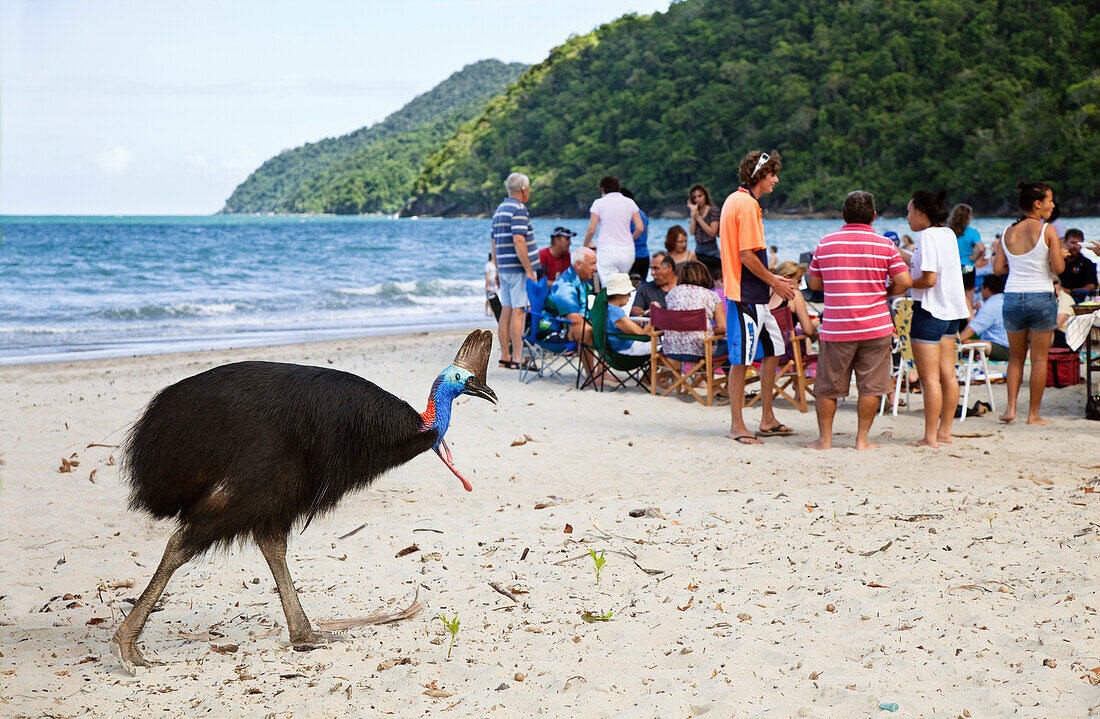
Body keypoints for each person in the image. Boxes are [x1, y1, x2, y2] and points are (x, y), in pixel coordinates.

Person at [805, 191, 912, 451]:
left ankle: (825, 440)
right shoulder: (885, 245)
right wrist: (884, 292)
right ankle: (862, 440)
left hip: (836, 326)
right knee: (871, 387)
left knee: (828, 387)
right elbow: (905, 282)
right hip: (875, 326)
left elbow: (814, 283)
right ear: (873, 216)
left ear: (843, 215)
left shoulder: (825, 243)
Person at [719, 150, 797, 445]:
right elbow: (746, 255)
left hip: (754, 294)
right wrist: (775, 282)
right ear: (759, 177)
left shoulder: (735, 200)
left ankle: (766, 417)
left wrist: (771, 281)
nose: (776, 180)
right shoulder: (747, 204)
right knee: (740, 360)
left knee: (773, 349)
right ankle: (737, 425)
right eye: (772, 175)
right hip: (745, 294)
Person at [992, 180, 1066, 425]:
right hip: (1040, 296)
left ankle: (1010, 409)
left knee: (1015, 357)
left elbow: (997, 267)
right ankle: (1033, 414)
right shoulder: (1048, 231)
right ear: (1037, 204)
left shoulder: (1007, 232)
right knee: (1039, 359)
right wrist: (1060, 255)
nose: (1052, 205)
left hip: (1012, 295)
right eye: (1049, 200)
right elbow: (1058, 268)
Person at [907, 189, 969, 448]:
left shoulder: (928, 235)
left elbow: (929, 279)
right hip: (951, 312)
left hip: (930, 311)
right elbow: (935, 267)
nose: (907, 217)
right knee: (948, 375)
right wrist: (903, 256)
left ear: (921, 212)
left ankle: (929, 436)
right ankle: (944, 432)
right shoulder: (947, 233)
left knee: (929, 378)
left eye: (909, 212)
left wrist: (902, 285)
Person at [491, 172, 539, 370]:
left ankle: (505, 356)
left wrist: (496, 267)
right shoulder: (519, 209)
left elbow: (493, 241)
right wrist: (529, 269)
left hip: (503, 266)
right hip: (517, 268)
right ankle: (518, 357)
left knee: (507, 310)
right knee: (518, 311)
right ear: (524, 190)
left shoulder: (499, 210)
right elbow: (519, 239)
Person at [583, 176, 643, 283]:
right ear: (618, 188)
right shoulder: (629, 202)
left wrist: (584, 247)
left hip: (607, 250)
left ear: (602, 189)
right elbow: (640, 227)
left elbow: (592, 230)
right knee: (622, 284)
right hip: (627, 251)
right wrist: (631, 239)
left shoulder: (598, 203)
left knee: (609, 287)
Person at [662, 260, 727, 358]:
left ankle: (698, 372)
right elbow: (722, 328)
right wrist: (705, 331)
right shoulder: (711, 295)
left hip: (671, 350)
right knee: (730, 346)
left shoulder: (672, 293)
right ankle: (716, 373)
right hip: (700, 350)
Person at [545, 246, 599, 344]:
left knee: (605, 327)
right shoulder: (565, 285)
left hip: (571, 327)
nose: (595, 268)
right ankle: (591, 359)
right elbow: (574, 319)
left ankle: (601, 360)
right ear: (579, 264)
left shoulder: (583, 282)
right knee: (586, 331)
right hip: (552, 330)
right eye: (592, 264)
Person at [958, 274, 1010, 361]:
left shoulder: (991, 304)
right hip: (1016, 348)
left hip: (1003, 349)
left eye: (981, 288)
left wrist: (955, 343)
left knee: (964, 343)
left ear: (987, 289)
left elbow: (972, 329)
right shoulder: (1007, 300)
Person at [603, 273, 652, 356]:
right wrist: (655, 314)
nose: (630, 295)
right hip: (625, 349)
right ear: (618, 294)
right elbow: (642, 333)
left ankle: (651, 369)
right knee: (666, 345)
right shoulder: (615, 311)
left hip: (614, 348)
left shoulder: (605, 307)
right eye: (628, 292)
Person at [770, 261, 819, 339]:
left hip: (766, 347)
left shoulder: (767, 292)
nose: (801, 284)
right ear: (787, 278)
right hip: (785, 347)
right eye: (799, 280)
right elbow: (808, 330)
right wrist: (813, 325)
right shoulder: (794, 295)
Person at [948, 203, 981, 313]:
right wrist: (973, 258)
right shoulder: (972, 232)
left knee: (952, 298)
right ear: (968, 216)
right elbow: (981, 248)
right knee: (968, 298)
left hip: (952, 267)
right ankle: (968, 324)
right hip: (968, 267)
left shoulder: (948, 231)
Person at [688, 183, 722, 279]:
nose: (698, 199)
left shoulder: (713, 210)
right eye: (695, 197)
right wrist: (693, 215)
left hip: (711, 252)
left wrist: (699, 218)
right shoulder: (696, 212)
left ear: (705, 196)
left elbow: (712, 232)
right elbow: (692, 231)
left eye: (700, 196)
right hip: (698, 251)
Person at [631, 252, 677, 316]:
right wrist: (646, 312)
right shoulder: (645, 289)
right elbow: (634, 310)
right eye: (651, 268)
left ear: (669, 267)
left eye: (656, 268)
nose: (652, 273)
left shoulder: (684, 287)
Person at [1059, 229, 1097, 300]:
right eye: (1072, 243)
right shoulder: (1058, 261)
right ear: (1064, 242)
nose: (1075, 246)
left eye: (1079, 243)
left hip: (1076, 298)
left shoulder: (1086, 263)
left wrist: (1069, 291)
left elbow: (1091, 287)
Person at [621, 188, 650, 278]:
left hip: (631, 256)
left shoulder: (626, 214)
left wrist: (628, 241)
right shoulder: (642, 214)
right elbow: (646, 233)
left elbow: (640, 229)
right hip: (644, 255)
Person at [1053, 277, 1077, 349]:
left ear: (1060, 284)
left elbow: (1057, 324)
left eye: (1055, 283)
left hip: (1063, 336)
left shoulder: (1064, 299)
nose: (1053, 286)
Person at [484, 252, 501, 319]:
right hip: (489, 284)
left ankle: (492, 312)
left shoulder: (494, 265)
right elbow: (487, 275)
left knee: (494, 298)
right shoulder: (488, 265)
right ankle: (486, 312)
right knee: (488, 299)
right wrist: (487, 285)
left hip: (494, 284)